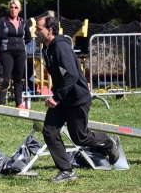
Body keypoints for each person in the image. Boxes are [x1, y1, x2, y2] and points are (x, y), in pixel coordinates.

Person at [34, 16, 121, 182]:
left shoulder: (60, 48)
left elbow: (72, 74)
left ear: (50, 31)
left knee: (80, 137)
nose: (35, 32)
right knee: (50, 131)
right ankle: (67, 171)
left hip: (76, 99)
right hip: (62, 99)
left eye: (39, 29)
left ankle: (110, 143)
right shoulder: (47, 48)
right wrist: (57, 96)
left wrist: (57, 97)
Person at [0, 0, 31, 108]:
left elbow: (28, 38)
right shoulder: (3, 21)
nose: (13, 9)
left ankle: (19, 102)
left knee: (18, 78)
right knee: (6, 77)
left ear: (19, 9)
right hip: (6, 53)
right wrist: (4, 45)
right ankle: (2, 102)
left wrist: (21, 43)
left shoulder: (23, 22)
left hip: (20, 53)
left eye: (16, 7)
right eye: (12, 7)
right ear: (9, 8)